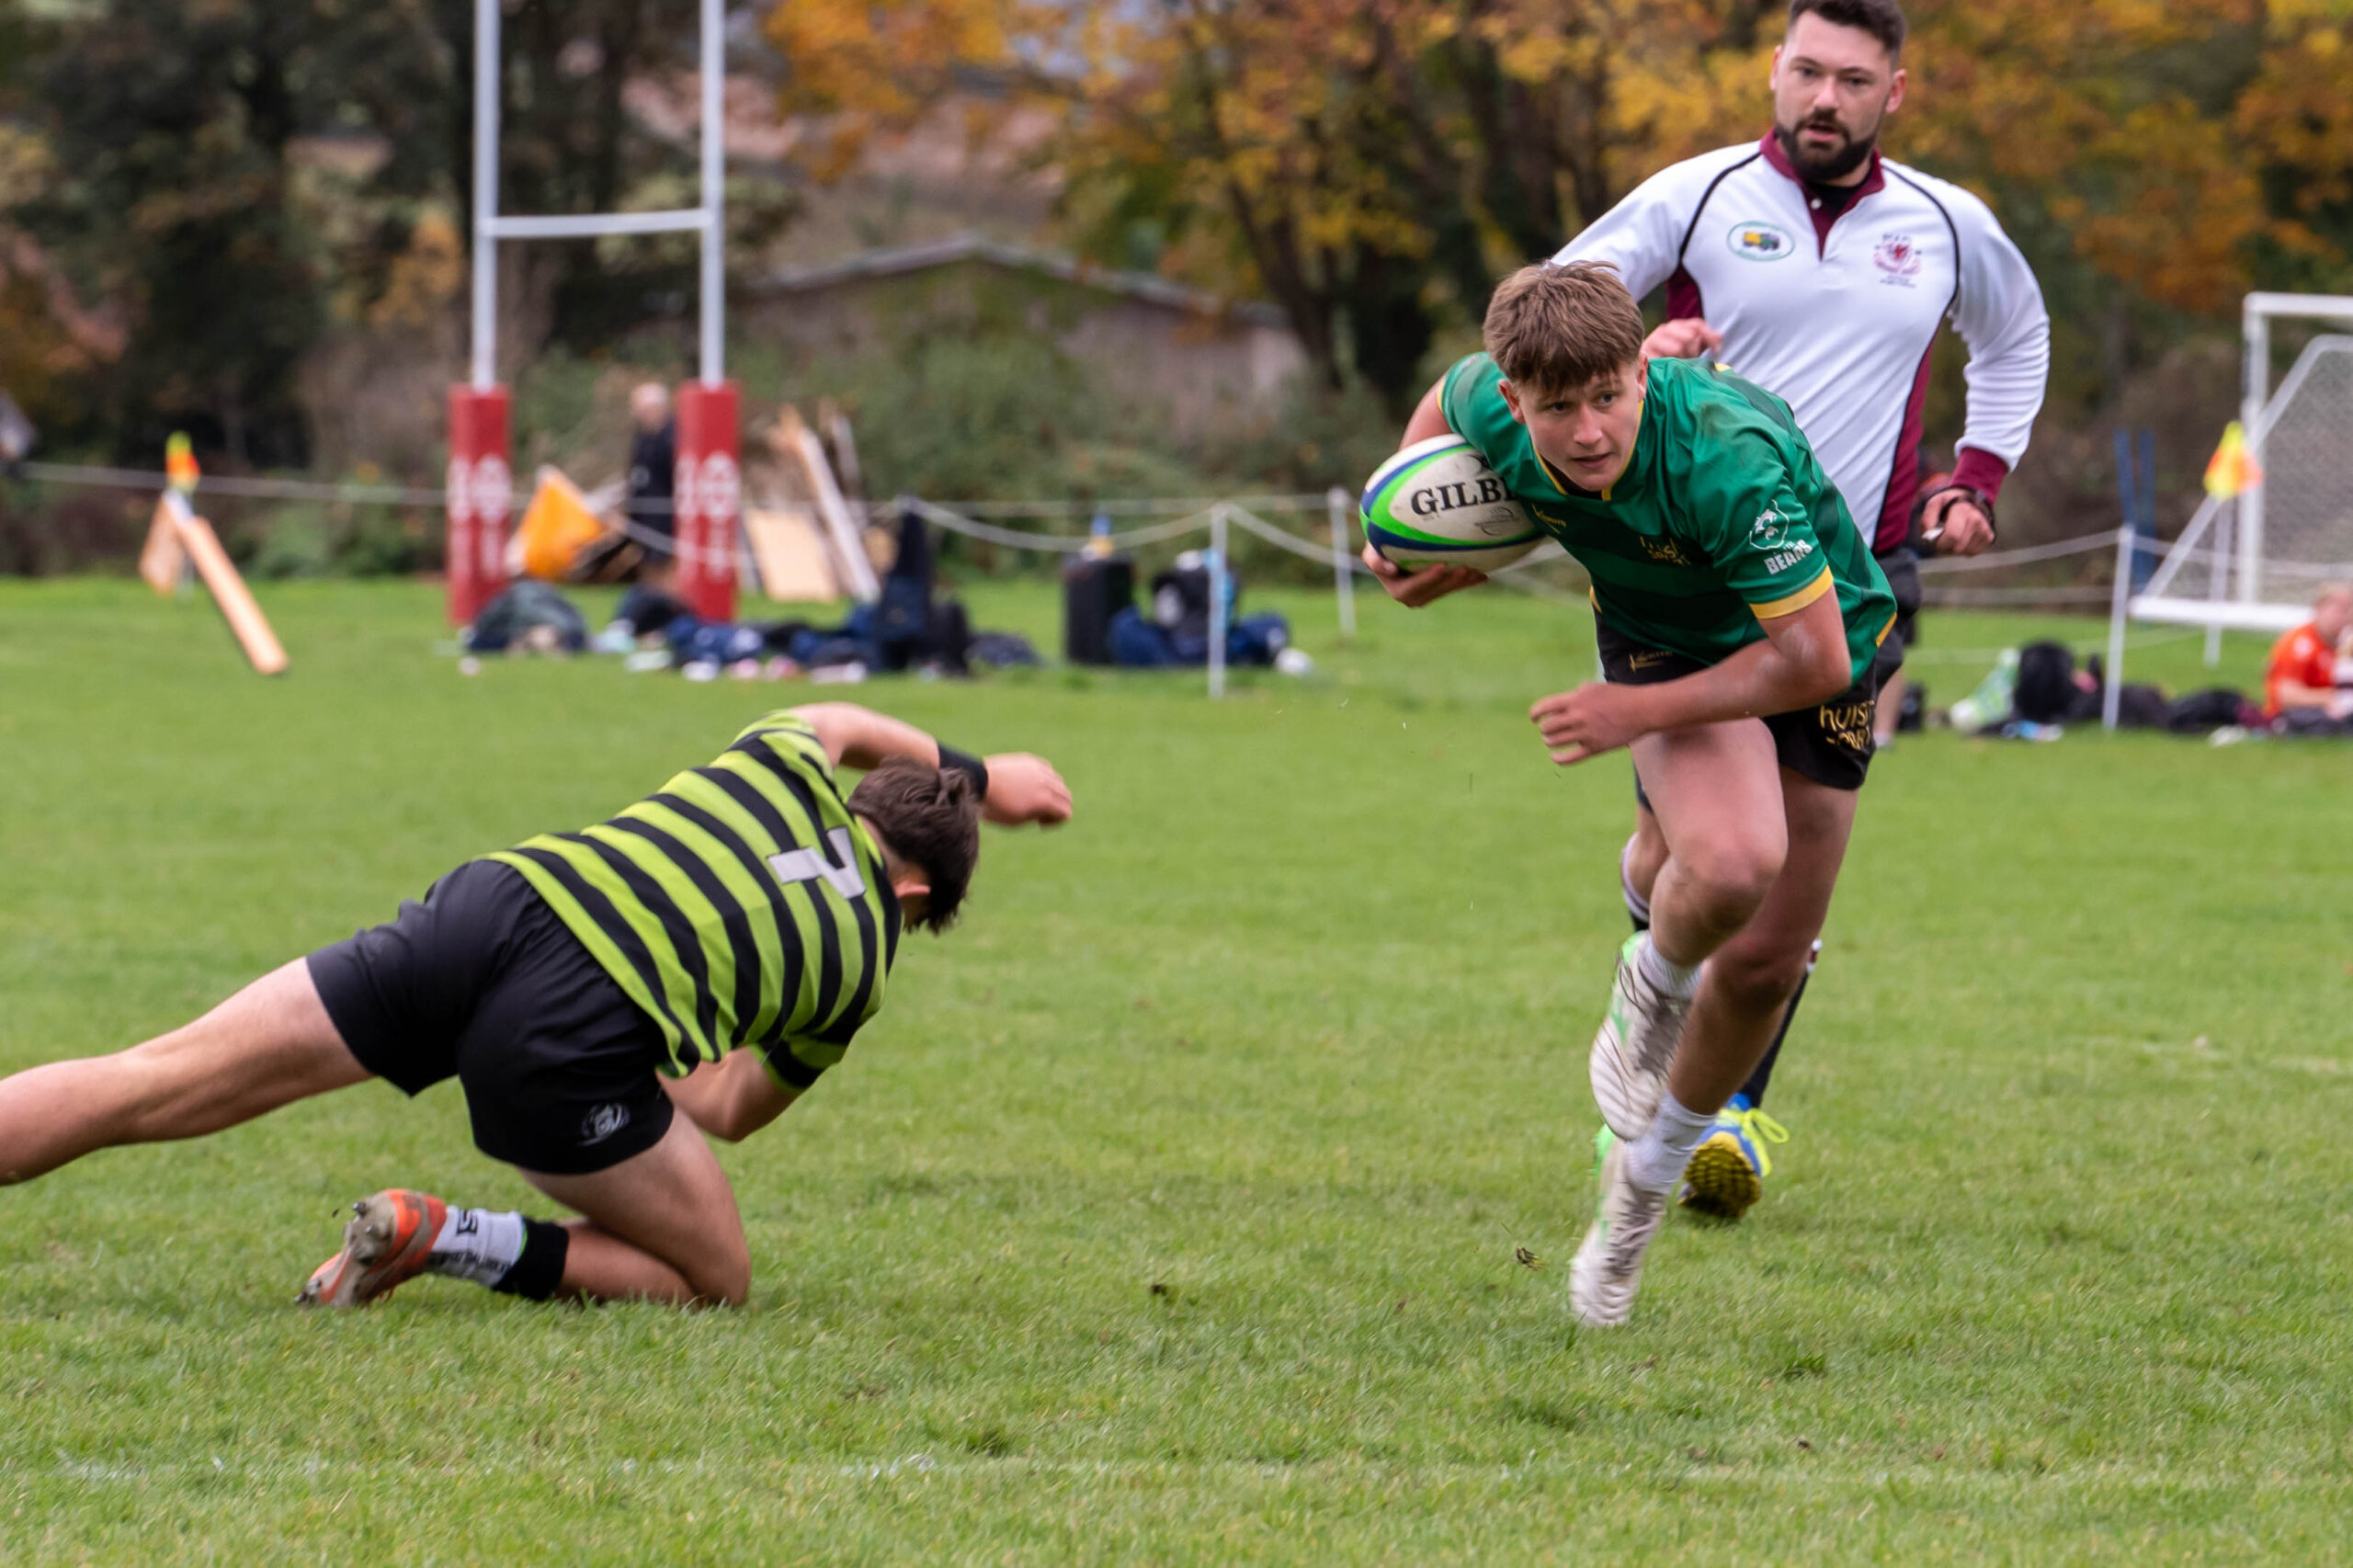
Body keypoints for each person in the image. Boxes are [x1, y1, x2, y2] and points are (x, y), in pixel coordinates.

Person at [0, 704, 1072, 1309]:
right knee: (716, 1278)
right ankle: (442, 1234)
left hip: (496, 906)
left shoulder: (784, 759)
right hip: (568, 1040)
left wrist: (986, 770)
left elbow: (841, 713)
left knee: (160, 1075)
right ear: (921, 894)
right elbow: (736, 1104)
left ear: (864, 793)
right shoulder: (861, 969)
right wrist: (645, 1047)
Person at [1550, 0, 2049, 1215]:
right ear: (1774, 73)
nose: (1825, 97)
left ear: (1897, 92)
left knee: (1778, 881)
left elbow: (2017, 336)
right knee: (1693, 858)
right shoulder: (1703, 196)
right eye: (1807, 71)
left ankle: (1725, 1110)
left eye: (1853, 79)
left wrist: (1974, 478)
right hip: (1690, 575)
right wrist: (1640, 347)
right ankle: (1651, 946)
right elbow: (1562, 301)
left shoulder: (1944, 224)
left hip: (1860, 582)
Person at [1364, 261, 1894, 1326]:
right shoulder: (1494, 402)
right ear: (1516, 400)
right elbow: (1440, 412)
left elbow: (1813, 661)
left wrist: (1627, 714)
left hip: (1814, 646)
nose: (1589, 428)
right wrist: (1409, 526)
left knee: (1762, 966)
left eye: (1609, 393)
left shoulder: (1724, 461)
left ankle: (1638, 1194)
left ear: (1639, 373)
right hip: (1661, 638)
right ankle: (1649, 978)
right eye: (1557, 407)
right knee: (1736, 861)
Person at [2263, 585, 2353, 722]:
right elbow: (2285, 696)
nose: (2345, 616)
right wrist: (2328, 698)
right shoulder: (2299, 643)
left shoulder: (2344, 643)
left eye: (2348, 610)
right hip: (2291, 716)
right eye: (2340, 610)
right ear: (2319, 609)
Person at [625, 381, 677, 579]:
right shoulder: (642, 438)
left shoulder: (672, 438)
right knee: (647, 562)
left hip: (665, 516)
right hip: (644, 516)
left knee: (663, 563)